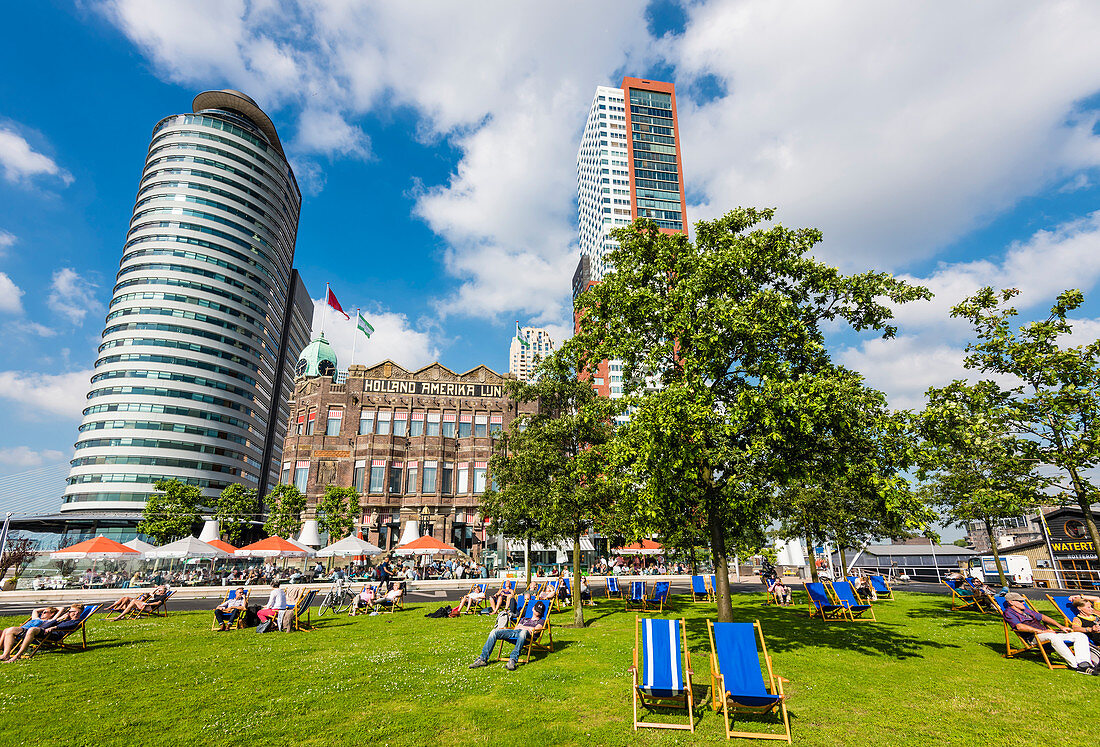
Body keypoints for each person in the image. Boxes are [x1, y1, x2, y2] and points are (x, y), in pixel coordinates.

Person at [1001, 592, 1097, 674]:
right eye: (1020, 601)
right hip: (1034, 637)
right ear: (1011, 602)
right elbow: (1019, 626)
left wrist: (1061, 626)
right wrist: (1042, 631)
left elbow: (1043, 617)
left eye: (1023, 600)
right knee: (1053, 636)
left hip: (1046, 634)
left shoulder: (1026, 610)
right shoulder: (1009, 613)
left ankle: (1085, 663)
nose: (1023, 602)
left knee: (1080, 635)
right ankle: (1076, 665)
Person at [469, 599, 548, 671]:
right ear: (532, 609)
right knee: (494, 631)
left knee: (523, 631)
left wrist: (524, 628)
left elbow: (536, 630)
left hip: (526, 636)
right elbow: (517, 627)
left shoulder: (541, 621)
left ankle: (512, 660)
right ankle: (483, 659)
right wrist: (527, 628)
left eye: (539, 611)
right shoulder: (524, 619)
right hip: (515, 633)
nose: (537, 612)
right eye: (536, 610)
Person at [1, 605, 83, 662]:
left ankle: (17, 656)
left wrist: (54, 627)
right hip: (43, 632)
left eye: (70, 611)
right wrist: (58, 620)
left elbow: (68, 626)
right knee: (11, 629)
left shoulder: (77, 621)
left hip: (53, 635)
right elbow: (46, 625)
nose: (68, 612)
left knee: (32, 629)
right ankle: (6, 655)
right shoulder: (64, 619)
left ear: (76, 613)